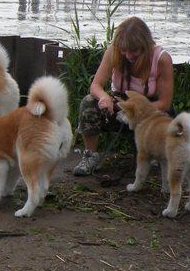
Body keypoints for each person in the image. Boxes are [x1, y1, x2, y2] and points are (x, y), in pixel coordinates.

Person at [73, 16, 174, 176]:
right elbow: (95, 85)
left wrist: (136, 110)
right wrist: (104, 97)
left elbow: (165, 103)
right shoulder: (112, 52)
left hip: (148, 108)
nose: (128, 55)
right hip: (119, 104)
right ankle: (90, 155)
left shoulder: (161, 59)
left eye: (134, 50)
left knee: (164, 116)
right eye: (124, 50)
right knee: (88, 103)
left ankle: (155, 154)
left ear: (145, 45)